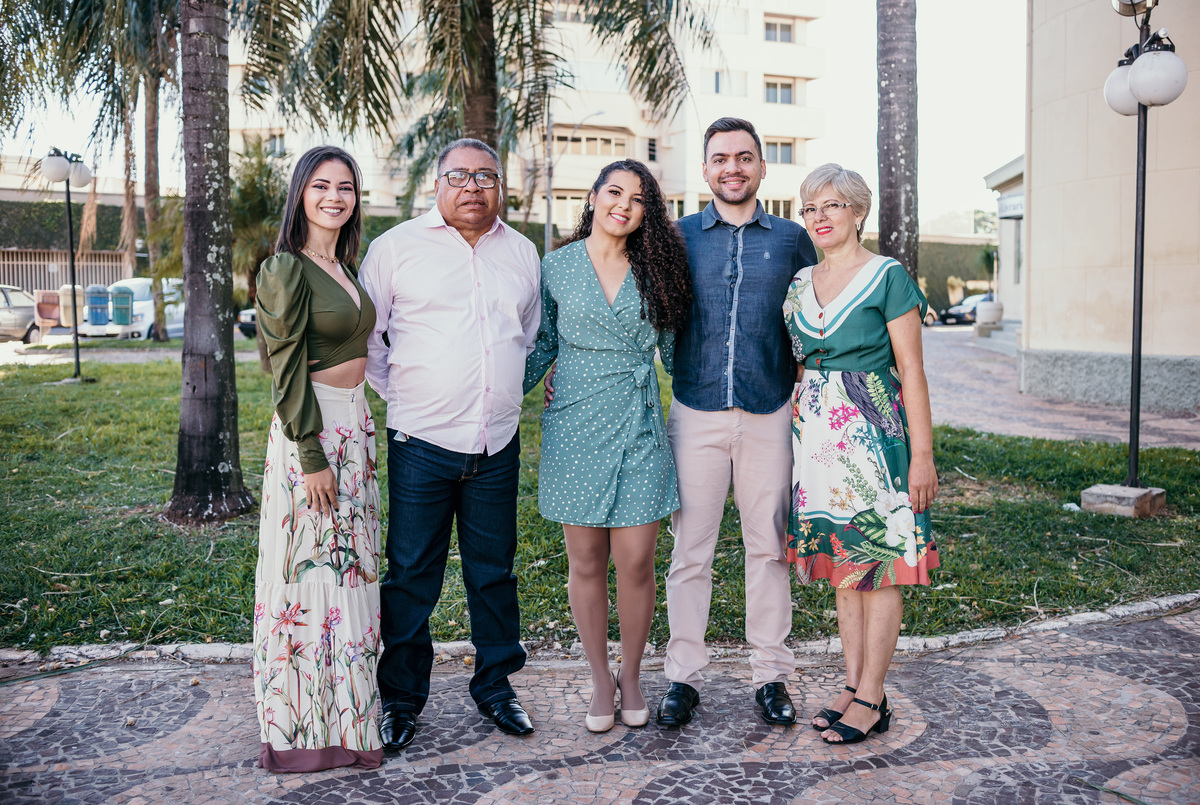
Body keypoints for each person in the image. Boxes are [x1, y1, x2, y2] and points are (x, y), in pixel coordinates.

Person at [360, 138, 542, 751]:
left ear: (500, 187)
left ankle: (495, 686)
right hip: (421, 441)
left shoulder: (522, 252)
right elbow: (371, 341)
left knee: (494, 574)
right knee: (412, 574)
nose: (472, 187)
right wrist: (411, 399)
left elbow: (526, 335)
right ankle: (401, 698)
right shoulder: (395, 248)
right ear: (437, 184)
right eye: (459, 176)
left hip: (497, 443)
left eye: (485, 176)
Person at [656, 118, 818, 728]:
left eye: (744, 157)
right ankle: (682, 677)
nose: (733, 168)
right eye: (721, 158)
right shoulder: (677, 237)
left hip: (769, 410)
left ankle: (771, 675)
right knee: (690, 552)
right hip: (694, 410)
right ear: (705, 169)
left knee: (768, 549)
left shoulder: (792, 239)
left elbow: (814, 310)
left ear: (761, 167)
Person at [525, 160, 692, 733]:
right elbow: (543, 344)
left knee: (637, 560)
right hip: (574, 427)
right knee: (586, 561)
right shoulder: (555, 267)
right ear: (593, 196)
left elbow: (676, 357)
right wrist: (490, 398)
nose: (624, 204)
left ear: (648, 213)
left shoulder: (659, 270)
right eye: (615, 192)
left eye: (638, 198)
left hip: (639, 426)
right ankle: (600, 676)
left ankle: (633, 673)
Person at [783, 163, 939, 744]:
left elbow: (912, 370)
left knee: (879, 564)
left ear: (857, 212)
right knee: (843, 569)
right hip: (817, 443)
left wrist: (922, 456)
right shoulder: (799, 283)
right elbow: (800, 365)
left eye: (831, 205)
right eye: (810, 208)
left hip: (875, 438)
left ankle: (873, 696)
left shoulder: (887, 276)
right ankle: (853, 686)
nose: (819, 217)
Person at [252, 145, 382, 772]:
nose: (335, 197)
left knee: (349, 575)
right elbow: (286, 369)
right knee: (310, 576)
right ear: (300, 194)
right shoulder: (286, 268)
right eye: (321, 186)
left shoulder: (346, 266)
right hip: (312, 435)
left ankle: (352, 724)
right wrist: (311, 455)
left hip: (355, 429)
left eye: (346, 187)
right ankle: (300, 732)